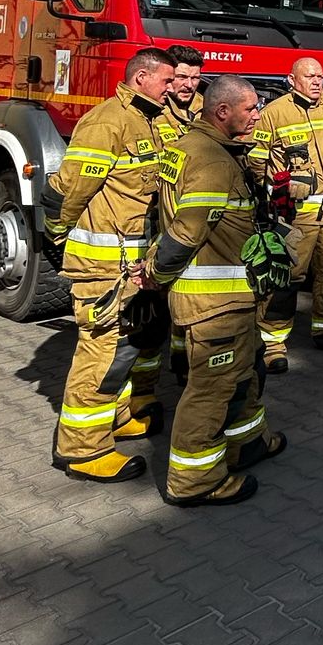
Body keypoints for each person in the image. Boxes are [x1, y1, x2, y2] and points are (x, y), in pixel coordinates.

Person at [145, 74, 285, 506]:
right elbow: (185, 234)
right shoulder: (212, 162)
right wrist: (154, 275)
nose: (258, 115)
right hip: (214, 304)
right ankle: (194, 482)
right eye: (250, 108)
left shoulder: (192, 147)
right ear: (222, 112)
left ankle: (246, 444)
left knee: (244, 374)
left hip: (231, 301)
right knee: (210, 391)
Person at [42, 48, 175, 482]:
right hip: (103, 267)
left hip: (130, 265)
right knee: (100, 352)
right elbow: (69, 190)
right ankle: (83, 451)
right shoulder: (107, 122)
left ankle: (115, 418)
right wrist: (57, 237)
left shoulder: (147, 119)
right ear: (141, 78)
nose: (172, 87)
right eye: (166, 80)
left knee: (123, 349)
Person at [251, 56, 323, 367]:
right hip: (295, 216)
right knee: (286, 281)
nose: (316, 82)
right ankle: (272, 345)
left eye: (320, 77)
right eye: (309, 76)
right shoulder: (273, 114)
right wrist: (272, 195)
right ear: (291, 80)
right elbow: (256, 162)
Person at [153, 45, 206, 393]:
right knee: (161, 299)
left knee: (191, 295)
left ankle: (183, 362)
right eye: (182, 77)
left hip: (197, 216)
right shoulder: (154, 113)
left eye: (195, 78)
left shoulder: (208, 109)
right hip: (160, 217)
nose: (188, 85)